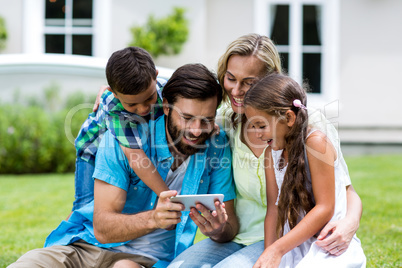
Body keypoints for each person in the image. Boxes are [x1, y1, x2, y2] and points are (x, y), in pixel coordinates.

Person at [9, 64, 239, 268]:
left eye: (207, 120)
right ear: (166, 106)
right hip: (84, 248)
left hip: (143, 261)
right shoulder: (128, 137)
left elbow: (230, 227)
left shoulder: (216, 146)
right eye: (187, 118)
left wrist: (218, 229)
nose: (197, 130)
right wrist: (154, 219)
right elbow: (102, 227)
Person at [168, 33, 363, 267]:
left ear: (270, 81)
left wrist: (350, 223)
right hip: (236, 237)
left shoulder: (311, 127)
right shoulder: (222, 126)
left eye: (249, 82)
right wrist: (116, 99)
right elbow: (173, 103)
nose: (237, 90)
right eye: (230, 78)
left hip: (285, 238)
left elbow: (345, 191)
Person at [244, 73, 366, 267]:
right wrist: (269, 253)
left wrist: (278, 249)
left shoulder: (316, 143)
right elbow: (273, 210)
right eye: (253, 126)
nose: (257, 134)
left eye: (261, 125)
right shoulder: (271, 154)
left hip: (328, 247)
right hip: (293, 246)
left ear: (289, 118)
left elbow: (325, 208)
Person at [73, 46, 169, 212]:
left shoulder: (165, 90)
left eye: (149, 98)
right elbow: (135, 156)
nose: (143, 109)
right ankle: (67, 237)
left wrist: (209, 124)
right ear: (114, 93)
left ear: (156, 76)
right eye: (132, 104)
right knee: (85, 207)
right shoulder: (114, 107)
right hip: (91, 151)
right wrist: (167, 195)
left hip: (116, 155)